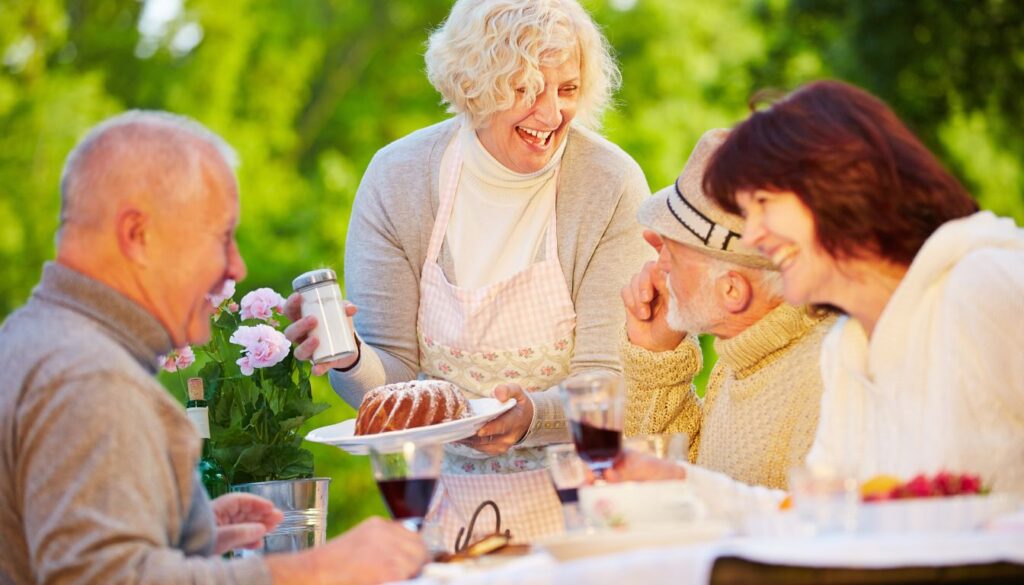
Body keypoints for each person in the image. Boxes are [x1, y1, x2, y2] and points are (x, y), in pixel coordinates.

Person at [0, 112, 427, 585]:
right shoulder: (91, 377)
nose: (237, 267)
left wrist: (179, 540)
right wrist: (311, 569)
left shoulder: (27, 341)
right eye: (221, 237)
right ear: (138, 235)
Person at [285, 0, 649, 542]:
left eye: (567, 89)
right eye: (524, 89)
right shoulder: (398, 179)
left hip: (589, 513)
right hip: (447, 514)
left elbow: (609, 380)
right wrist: (351, 355)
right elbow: (393, 389)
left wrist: (531, 418)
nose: (550, 115)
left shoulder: (609, 185)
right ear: (475, 84)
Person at [612, 80, 1024, 502]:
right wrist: (682, 483)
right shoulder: (848, 349)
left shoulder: (983, 286)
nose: (753, 233)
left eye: (765, 204)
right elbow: (816, 517)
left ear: (838, 189)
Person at [620, 129, 835, 490]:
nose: (658, 261)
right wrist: (657, 356)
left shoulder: (825, 380)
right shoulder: (742, 354)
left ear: (732, 290)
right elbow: (680, 492)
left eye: (673, 248)